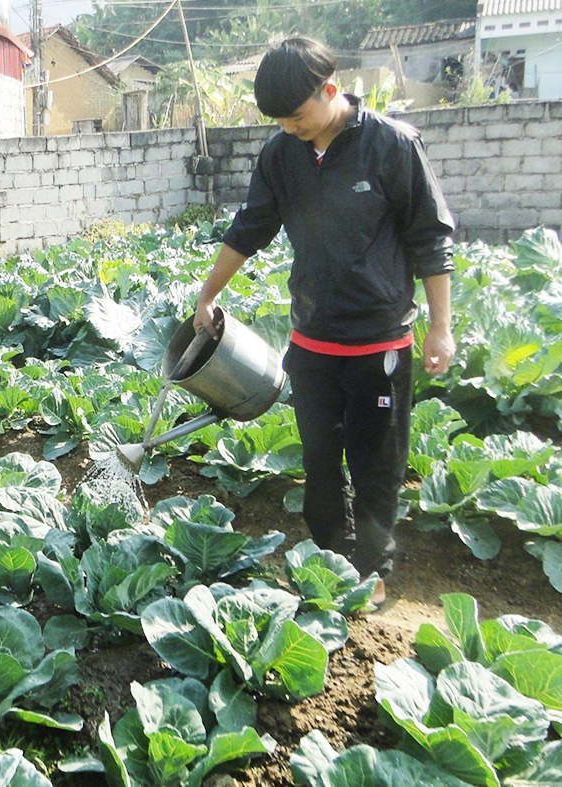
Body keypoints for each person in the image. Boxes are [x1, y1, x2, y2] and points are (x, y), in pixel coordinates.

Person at [192, 37, 456, 605]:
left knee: (376, 465)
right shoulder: (282, 154)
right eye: (280, 121)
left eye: (296, 116)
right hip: (311, 342)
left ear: (330, 90)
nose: (289, 128)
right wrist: (208, 295)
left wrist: (441, 326)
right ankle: (332, 559)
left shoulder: (392, 144)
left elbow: (430, 238)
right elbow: (249, 229)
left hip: (379, 343)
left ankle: (373, 569)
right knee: (318, 462)